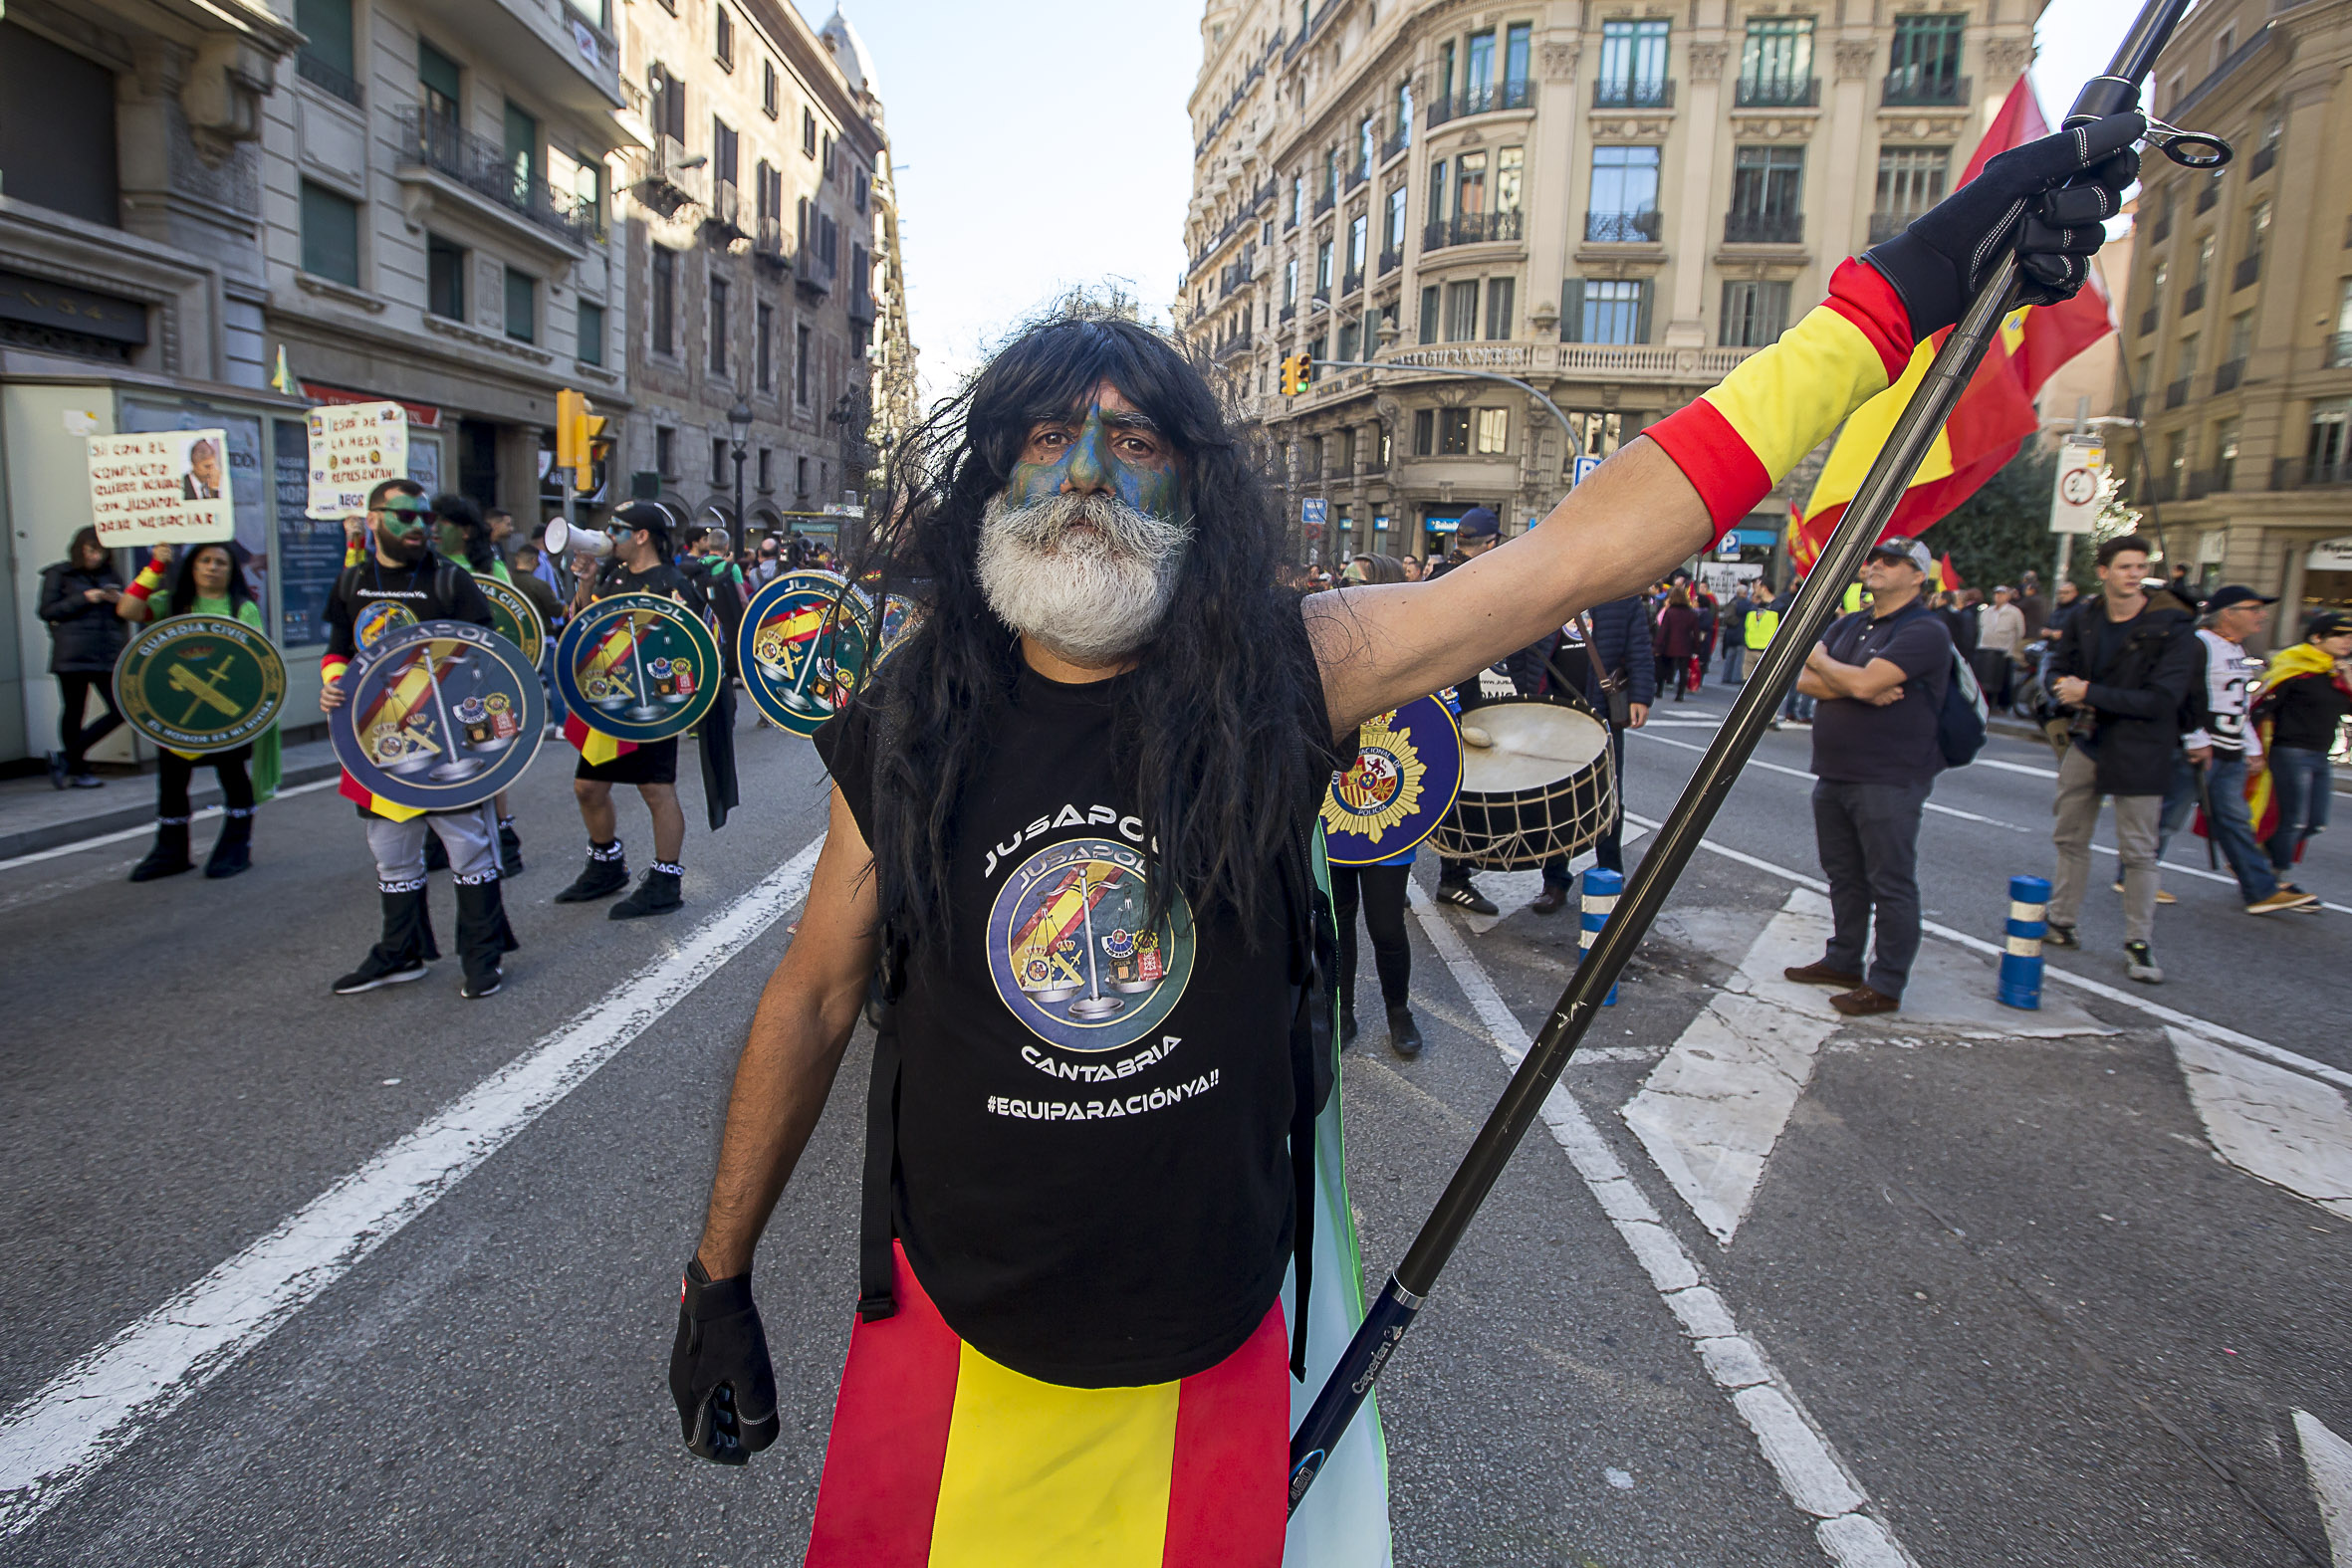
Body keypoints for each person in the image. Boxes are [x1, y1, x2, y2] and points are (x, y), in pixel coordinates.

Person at [665, 115, 2137, 1561]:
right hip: (946, 1327)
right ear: (990, 476)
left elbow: (1586, 545)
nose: (1090, 477)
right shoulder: (909, 716)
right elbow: (811, 991)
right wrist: (716, 1275)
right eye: (1049, 437)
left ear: (1196, 487)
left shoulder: (1291, 663)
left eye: (1134, 440)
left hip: (1208, 1328)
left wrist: (1904, 294)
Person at [321, 479, 515, 999]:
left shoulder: (452, 581)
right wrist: (333, 686)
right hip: (378, 740)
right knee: (391, 852)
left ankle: (481, 957)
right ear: (376, 518)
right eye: (405, 516)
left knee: (468, 849)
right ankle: (399, 954)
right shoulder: (353, 581)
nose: (419, 527)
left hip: (446, 742)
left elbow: (489, 658)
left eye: (426, 518)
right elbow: (338, 649)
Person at [1781, 537, 1951, 1015]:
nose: (1875, 565)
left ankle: (1887, 981)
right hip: (1835, 771)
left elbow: (1853, 679)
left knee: (1890, 881)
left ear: (1918, 576)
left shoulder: (1924, 630)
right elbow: (1804, 680)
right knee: (1844, 875)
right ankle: (1842, 960)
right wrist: (1851, 683)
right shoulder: (1854, 623)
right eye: (1873, 558)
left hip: (1889, 776)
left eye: (1891, 561)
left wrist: (1826, 662)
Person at [2042, 536, 2200, 983]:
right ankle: (2061, 921)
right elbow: (2057, 664)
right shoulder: (2085, 616)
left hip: (2142, 746)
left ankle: (2138, 943)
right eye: (2125, 566)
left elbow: (2163, 700)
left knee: (2138, 851)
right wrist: (2059, 686)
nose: (2134, 574)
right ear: (2104, 571)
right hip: (2088, 739)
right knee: (2069, 836)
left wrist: (2088, 693)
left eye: (2140, 566)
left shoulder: (2173, 625)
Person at [556, 502, 713, 919]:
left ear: (642, 535)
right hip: (608, 702)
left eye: (617, 529)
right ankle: (607, 864)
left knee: (655, 790)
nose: (609, 536)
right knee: (587, 788)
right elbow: (585, 630)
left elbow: (694, 649)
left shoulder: (674, 583)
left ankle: (665, 880)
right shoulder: (615, 575)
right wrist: (587, 584)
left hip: (651, 706)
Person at [115, 540, 281, 880]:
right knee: (172, 781)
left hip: (226, 715)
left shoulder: (241, 608)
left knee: (233, 777)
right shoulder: (172, 603)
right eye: (205, 560)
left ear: (231, 570)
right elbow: (128, 610)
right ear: (192, 567)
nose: (212, 567)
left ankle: (236, 846)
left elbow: (255, 661)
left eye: (220, 562)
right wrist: (156, 567)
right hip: (176, 716)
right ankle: (171, 851)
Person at [1330, 553, 1427, 1059]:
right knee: (1337, 918)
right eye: (1344, 580)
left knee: (1387, 924)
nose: (1344, 589)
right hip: (1336, 814)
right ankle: (1342, 1009)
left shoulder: (1414, 658)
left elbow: (1435, 734)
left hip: (1391, 817)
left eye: (1356, 583)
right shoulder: (1327, 649)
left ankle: (1398, 1009)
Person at [2176, 585, 2313, 913]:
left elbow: (2238, 708)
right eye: (2254, 609)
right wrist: (2195, 739)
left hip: (2230, 752)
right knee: (2166, 817)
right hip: (2200, 751)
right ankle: (2135, 876)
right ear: (2228, 614)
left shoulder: (2237, 649)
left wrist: (2250, 746)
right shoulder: (2199, 645)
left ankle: (2260, 890)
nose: (2261, 615)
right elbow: (2185, 695)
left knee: (2235, 821)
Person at [1528, 593, 1654, 916]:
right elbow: (1525, 650)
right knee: (1554, 798)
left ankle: (1612, 875)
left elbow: (1638, 647)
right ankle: (1554, 882)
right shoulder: (1551, 589)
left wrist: (1641, 695)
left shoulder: (1621, 595)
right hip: (1554, 709)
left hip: (1603, 709)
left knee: (1608, 797)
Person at [2256, 608, 2352, 900]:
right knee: (2292, 818)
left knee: (2316, 821)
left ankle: (2258, 861)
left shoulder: (2335, 673)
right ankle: (2273, 878)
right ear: (2317, 637)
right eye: (2339, 635)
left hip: (2320, 754)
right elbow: (2262, 706)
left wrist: (2348, 679)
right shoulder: (2295, 669)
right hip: (2290, 751)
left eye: (2350, 637)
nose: (2347, 642)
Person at [38, 526, 128, 788]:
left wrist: (119, 601)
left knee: (121, 709)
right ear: (80, 549)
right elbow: (47, 611)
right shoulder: (59, 573)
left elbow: (122, 615)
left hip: (106, 652)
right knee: (74, 711)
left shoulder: (110, 575)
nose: (95, 557)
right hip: (73, 653)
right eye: (91, 550)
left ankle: (65, 758)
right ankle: (78, 770)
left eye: (101, 552)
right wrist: (85, 598)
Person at [1976, 583, 2026, 713]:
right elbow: (1981, 627)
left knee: (2003, 679)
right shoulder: (1987, 611)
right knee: (1985, 678)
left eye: (2002, 594)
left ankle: (2003, 704)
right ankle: (1986, 703)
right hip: (1986, 649)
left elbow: (2020, 631)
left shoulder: (2014, 612)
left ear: (2007, 596)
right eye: (1996, 594)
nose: (1998, 596)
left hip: (2004, 650)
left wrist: (2013, 647)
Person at [1654, 583, 1701, 700]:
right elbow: (1696, 632)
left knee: (1663, 668)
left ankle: (1659, 690)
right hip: (1685, 645)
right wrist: (1696, 647)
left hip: (1669, 645)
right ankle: (1680, 694)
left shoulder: (1670, 612)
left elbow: (1663, 630)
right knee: (1683, 670)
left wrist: (1658, 646)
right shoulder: (1691, 613)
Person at [1721, 582, 1752, 684]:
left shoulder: (1732, 602)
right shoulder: (1744, 604)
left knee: (1730, 656)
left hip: (1730, 633)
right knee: (1739, 657)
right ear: (1743, 593)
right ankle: (1736, 677)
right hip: (1740, 632)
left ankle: (1726, 676)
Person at [2016, 569, 2048, 644]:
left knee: (2015, 652)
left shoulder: (2030, 600)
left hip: (2031, 633)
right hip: (2040, 632)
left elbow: (2017, 607)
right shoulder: (2043, 598)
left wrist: (2012, 599)